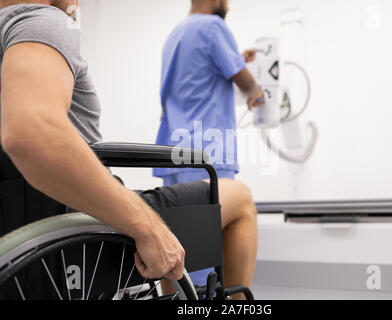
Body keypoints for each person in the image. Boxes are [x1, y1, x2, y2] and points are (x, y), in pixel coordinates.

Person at [0, 0, 257, 300]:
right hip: (73, 240)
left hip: (19, 232)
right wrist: (146, 225)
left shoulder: (178, 34)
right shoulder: (42, 21)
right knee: (239, 199)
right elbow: (33, 133)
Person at [154, 0, 263, 287]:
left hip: (174, 153)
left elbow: (194, 78)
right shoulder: (214, 27)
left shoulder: (176, 34)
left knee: (177, 249)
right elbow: (245, 82)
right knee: (207, 260)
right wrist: (255, 92)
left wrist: (237, 57)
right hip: (207, 154)